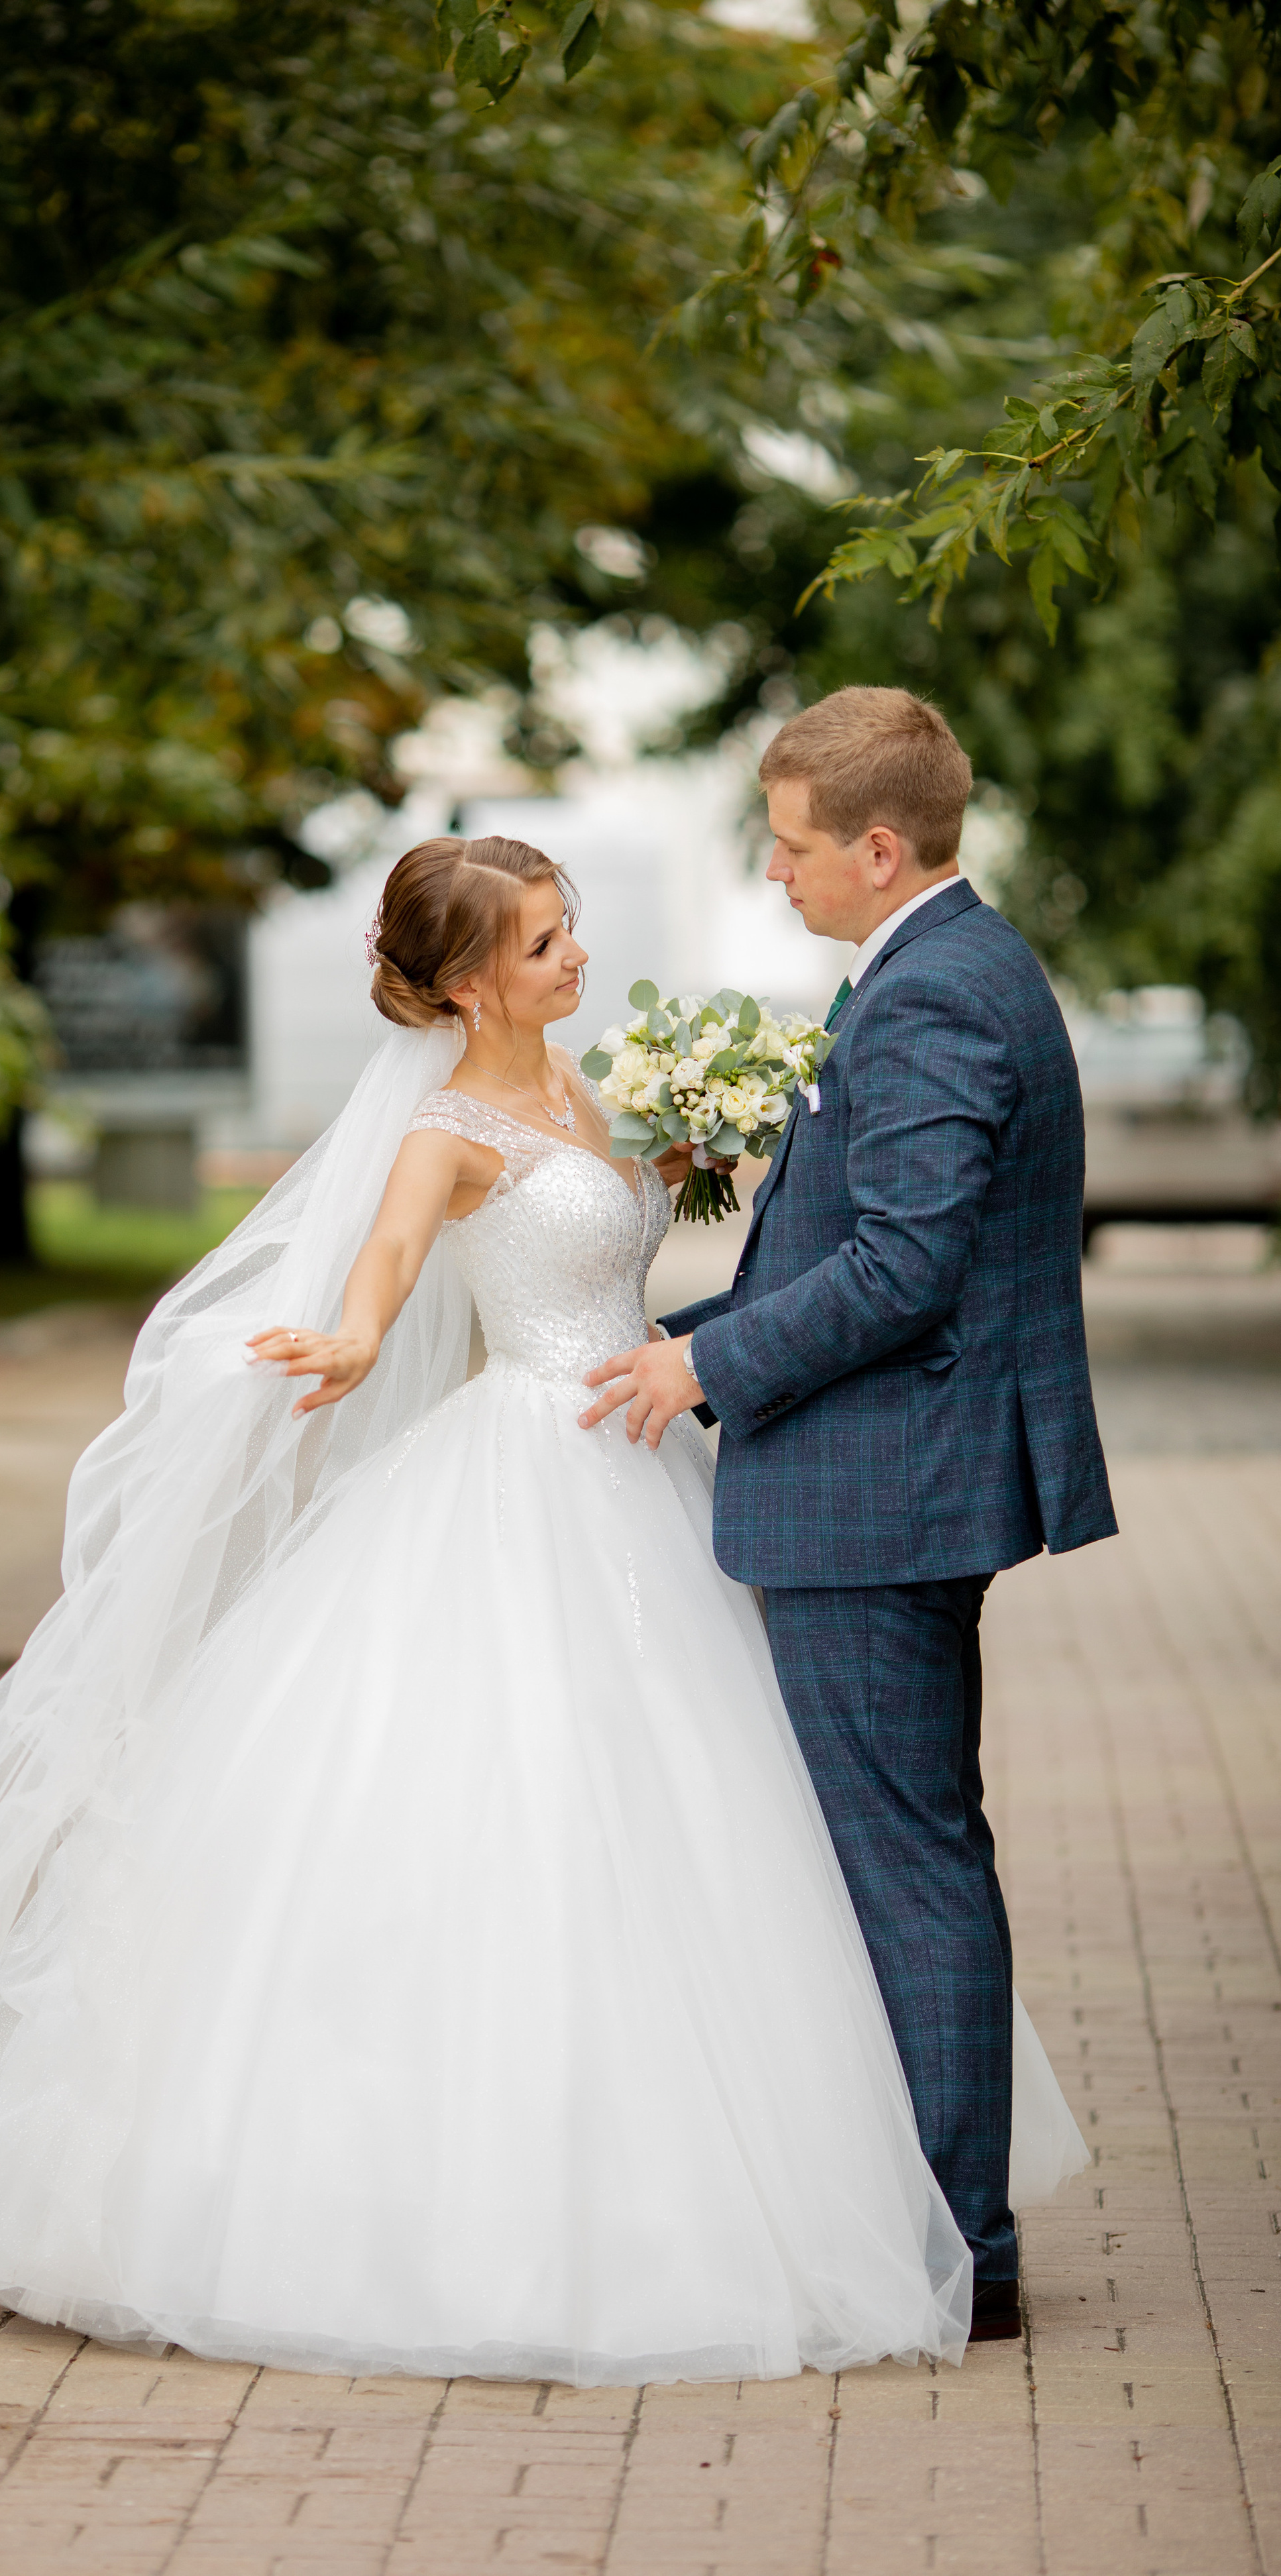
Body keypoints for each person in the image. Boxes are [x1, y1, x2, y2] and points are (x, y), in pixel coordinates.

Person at [0, 826, 1085, 2387]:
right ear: (469, 983)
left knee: (720, 1820)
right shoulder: (444, 1130)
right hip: (517, 1477)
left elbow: (616, 1269)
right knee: (497, 1812)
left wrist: (698, 1278)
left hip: (633, 1458)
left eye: (570, 929)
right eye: (544, 944)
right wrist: (342, 1348)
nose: (575, 957)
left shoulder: (586, 1095)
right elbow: (386, 1273)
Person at [580, 689, 1116, 2345]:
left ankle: (957, 2247)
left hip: (879, 1495)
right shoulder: (936, 971)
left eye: (794, 843)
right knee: (904, 1856)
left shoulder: (938, 996)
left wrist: (699, 1365)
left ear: (880, 848)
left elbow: (905, 1265)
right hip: (888, 1482)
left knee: (906, 1869)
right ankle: (939, 2226)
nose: (773, 866)